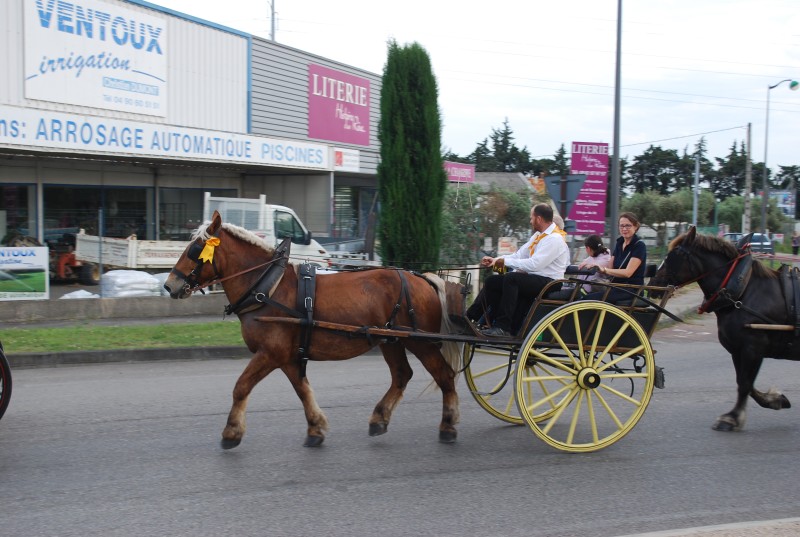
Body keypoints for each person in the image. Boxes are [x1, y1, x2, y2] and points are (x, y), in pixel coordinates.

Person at [466, 203, 571, 337]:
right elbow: (518, 255)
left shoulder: (554, 239)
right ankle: (470, 318)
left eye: (531, 218)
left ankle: (503, 327)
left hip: (550, 282)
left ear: (539, 219)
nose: (530, 221)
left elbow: (535, 265)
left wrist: (504, 262)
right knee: (492, 281)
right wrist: (495, 260)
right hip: (536, 278)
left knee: (512, 279)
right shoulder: (538, 236)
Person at [583, 212, 647, 304]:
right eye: (621, 226)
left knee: (587, 300)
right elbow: (610, 268)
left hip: (631, 289)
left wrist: (604, 270)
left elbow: (628, 273)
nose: (624, 229)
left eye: (628, 226)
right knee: (584, 295)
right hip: (616, 286)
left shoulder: (639, 246)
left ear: (636, 226)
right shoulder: (619, 243)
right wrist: (597, 266)